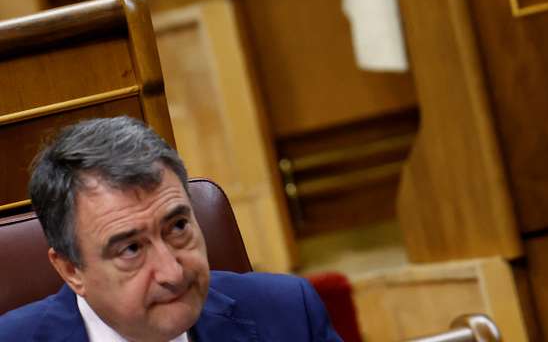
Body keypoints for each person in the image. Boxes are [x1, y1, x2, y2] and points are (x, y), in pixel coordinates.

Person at [0, 116, 342, 341]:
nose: (172, 272)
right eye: (131, 249)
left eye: (178, 227)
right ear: (71, 269)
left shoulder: (289, 315)